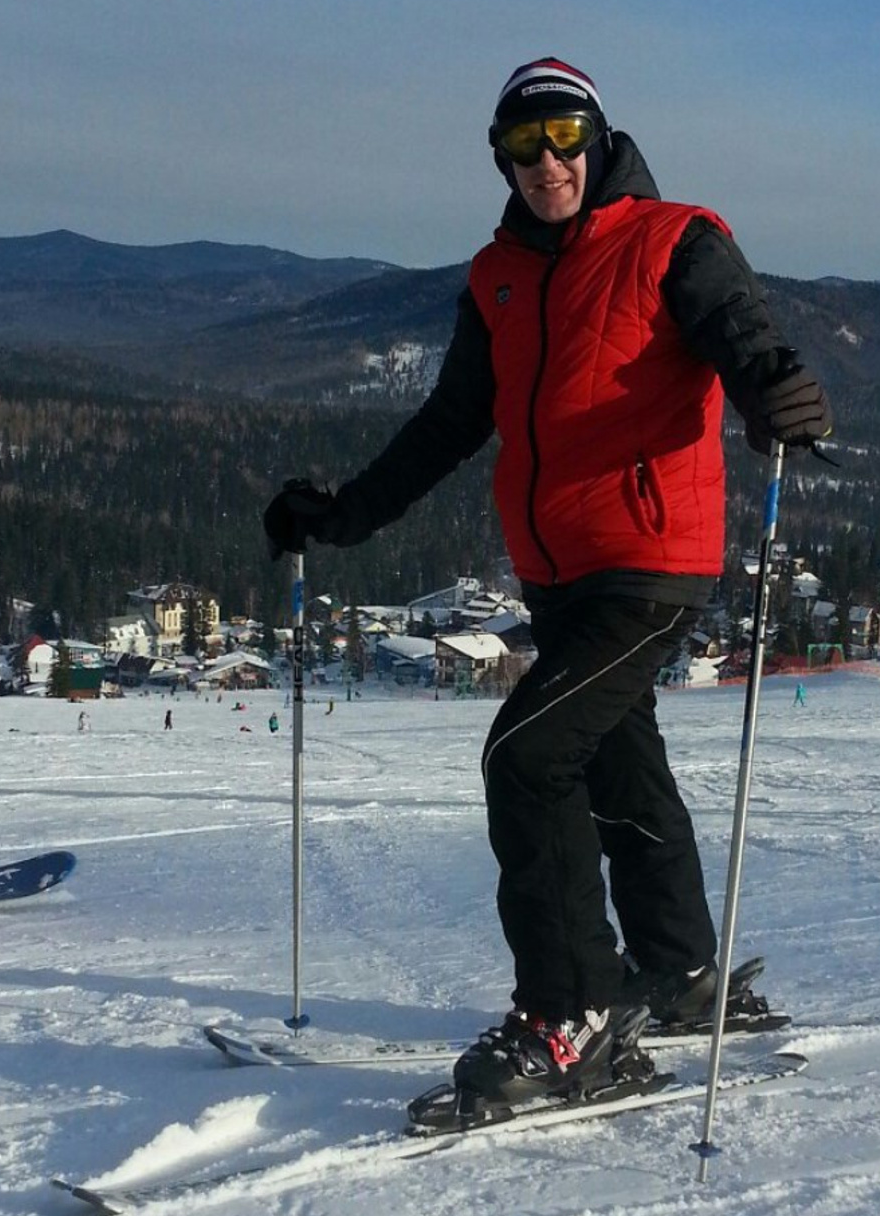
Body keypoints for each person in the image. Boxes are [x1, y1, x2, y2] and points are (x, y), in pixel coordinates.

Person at [263, 58, 832, 1117]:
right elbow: (448, 423)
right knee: (613, 758)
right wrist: (341, 513)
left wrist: (771, 398)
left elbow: (739, 339)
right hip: (558, 571)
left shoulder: (673, 238)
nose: (546, 161)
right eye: (521, 145)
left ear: (598, 135)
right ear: (500, 157)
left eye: (563, 135)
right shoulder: (498, 278)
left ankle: (571, 1014)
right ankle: (676, 970)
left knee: (523, 755)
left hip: (651, 562)